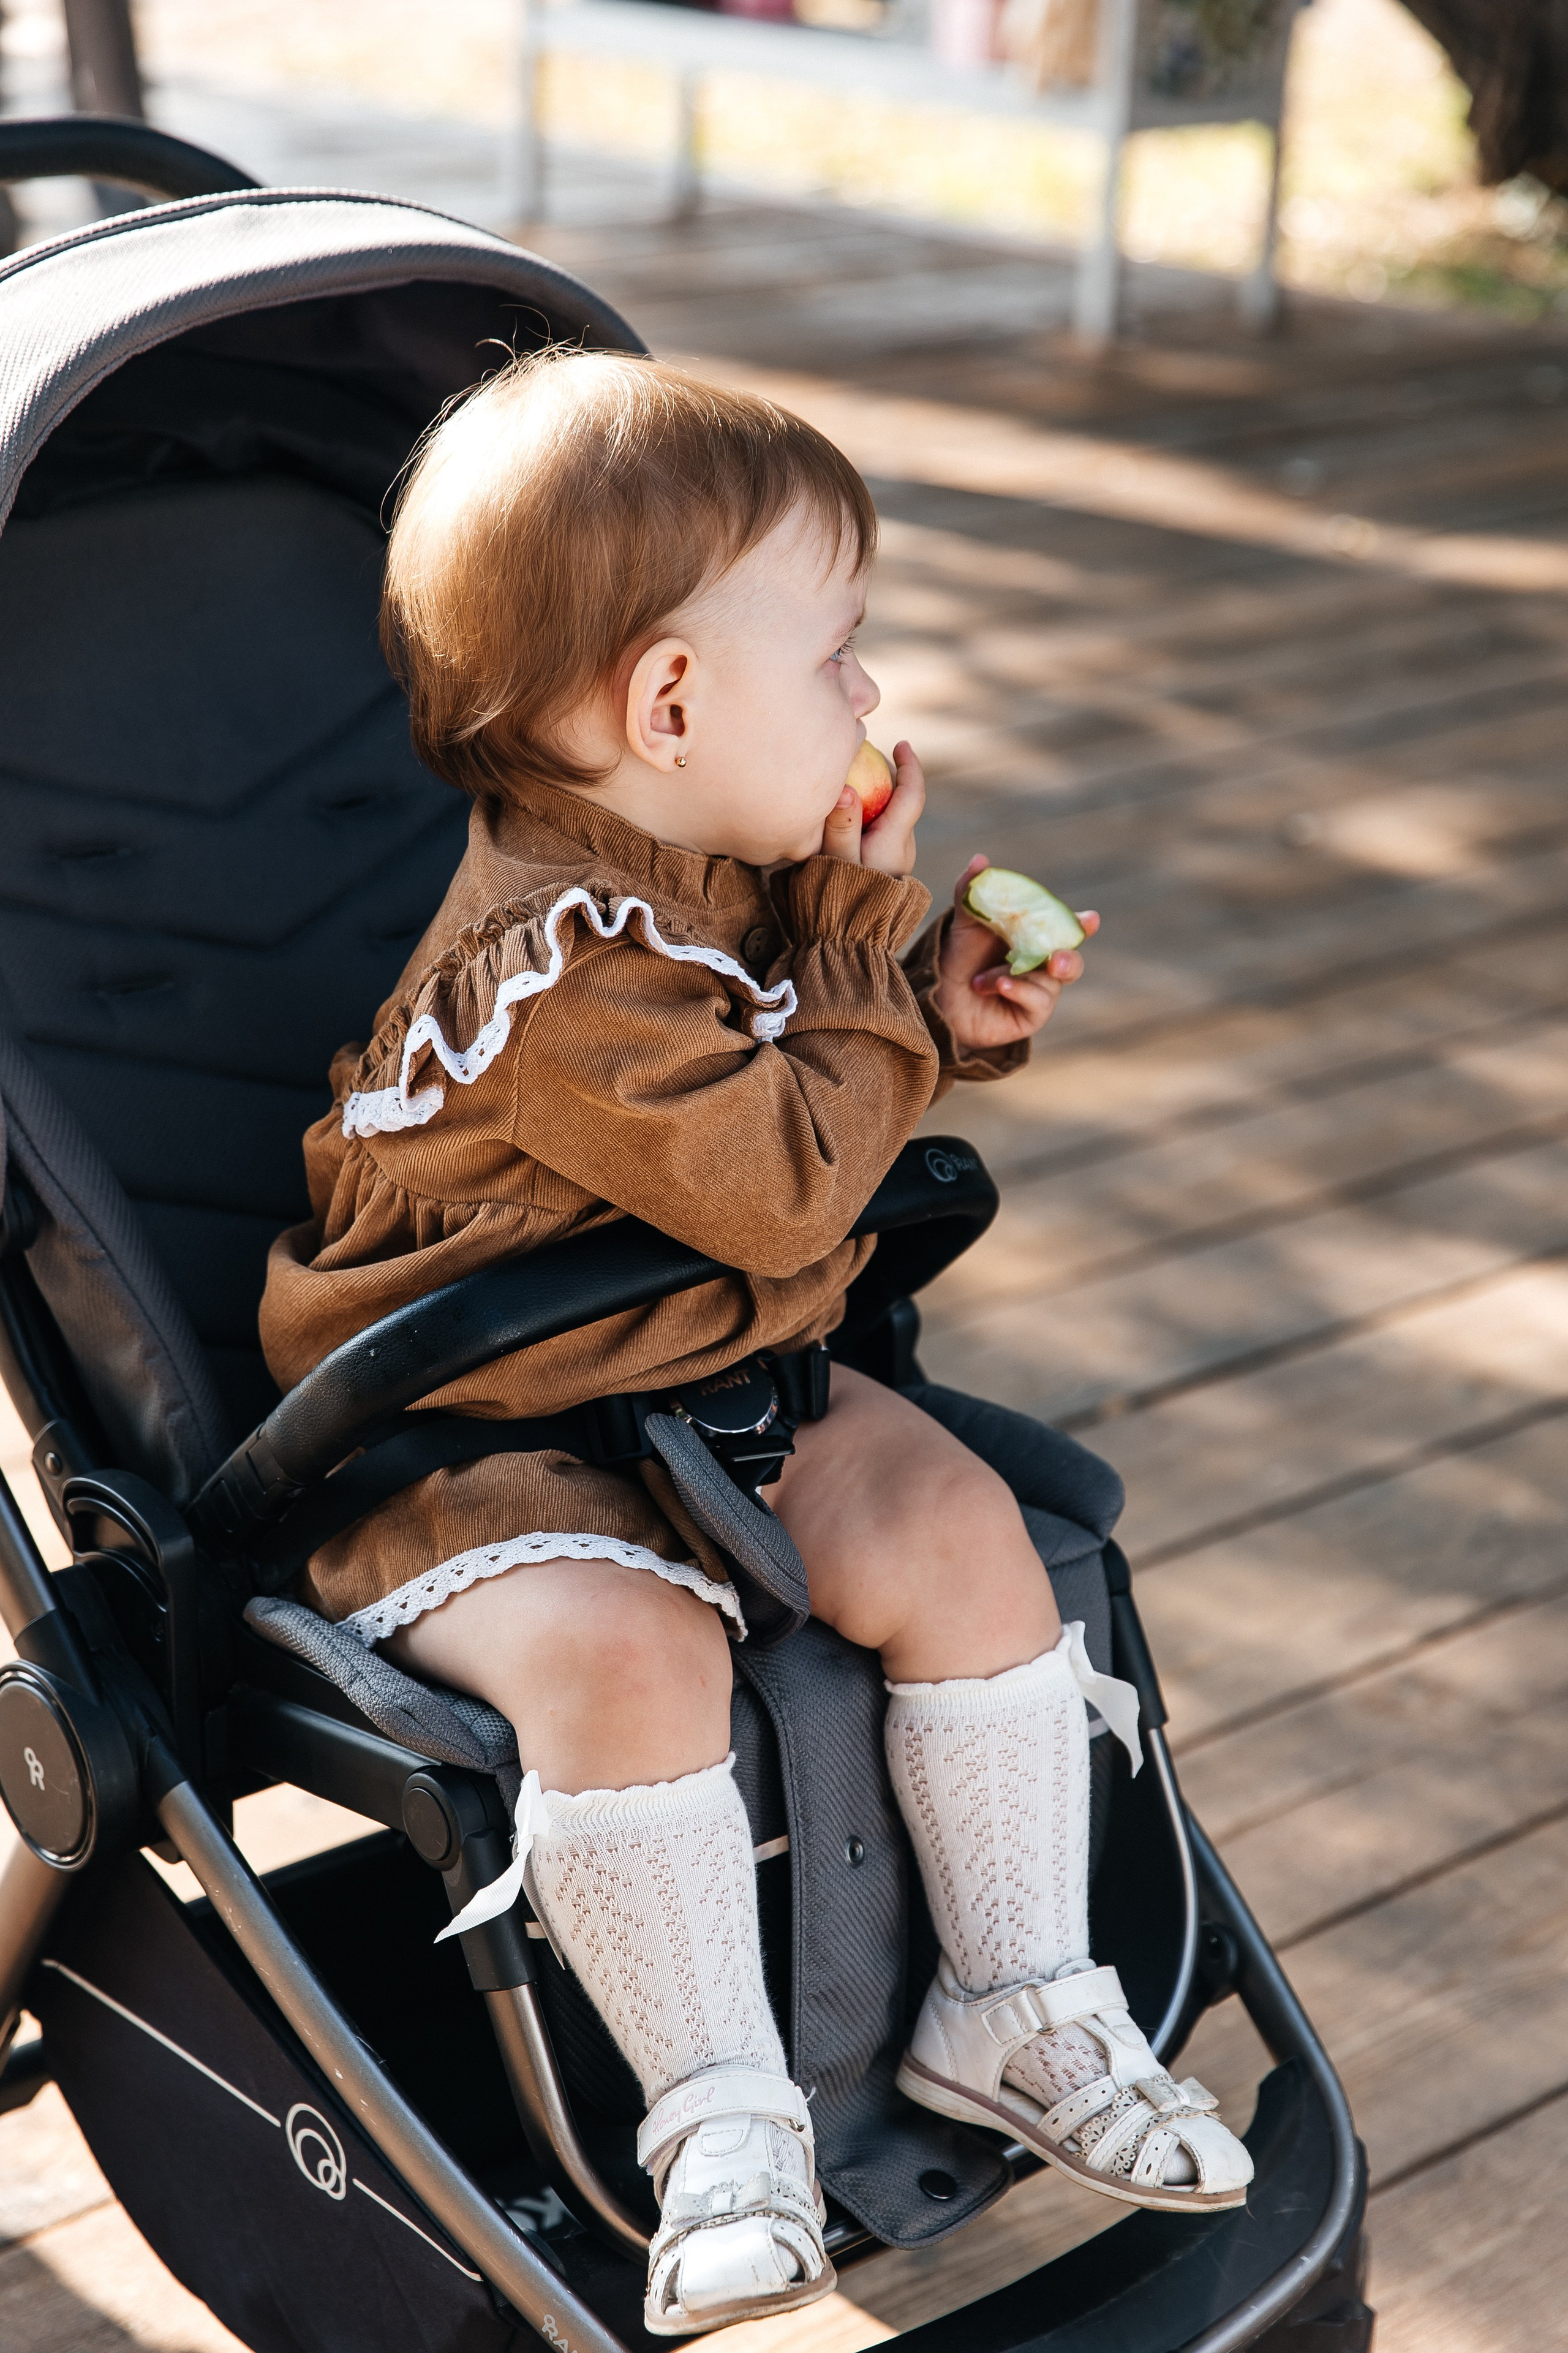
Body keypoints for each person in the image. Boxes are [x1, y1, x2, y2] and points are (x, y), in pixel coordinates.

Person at [259, 350, 1251, 2338]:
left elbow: (801, 1078)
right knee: (639, 1653)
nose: (872, 703)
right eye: (845, 655)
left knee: (962, 1526)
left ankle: (1018, 1993)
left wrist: (919, 993)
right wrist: (872, 974)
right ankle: (721, 2110)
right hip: (465, 1435)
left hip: (699, 1375)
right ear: (672, 704)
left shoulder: (709, 870)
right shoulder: (553, 978)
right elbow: (793, 1180)